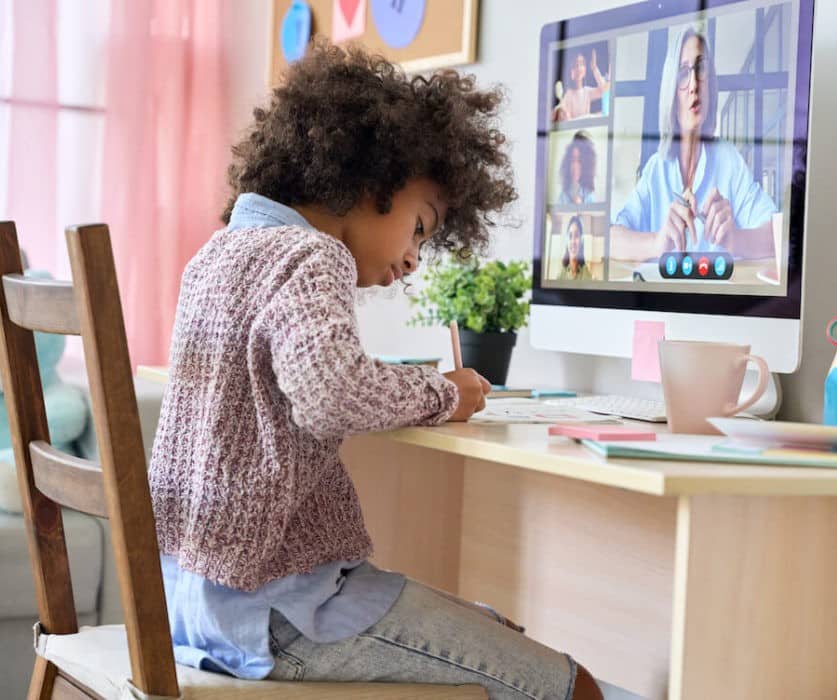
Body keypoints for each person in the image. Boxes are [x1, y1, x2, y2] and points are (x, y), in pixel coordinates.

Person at [149, 41, 605, 700]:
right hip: (278, 614)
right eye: (421, 228)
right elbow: (331, 392)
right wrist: (443, 393)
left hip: (188, 608)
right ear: (371, 180)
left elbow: (302, 379)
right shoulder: (311, 256)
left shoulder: (218, 254)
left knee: (488, 626)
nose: (416, 260)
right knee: (567, 684)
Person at [611, 26, 778, 261]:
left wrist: (734, 239)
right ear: (671, 90)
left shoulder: (729, 160)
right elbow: (610, 241)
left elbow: (780, 235)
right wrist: (656, 243)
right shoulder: (656, 168)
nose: (694, 85)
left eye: (701, 69)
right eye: (682, 73)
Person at [554, 47, 610, 122]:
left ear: (585, 69)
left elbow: (604, 90)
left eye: (581, 64)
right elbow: (562, 113)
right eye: (576, 65)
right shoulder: (569, 94)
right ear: (571, 71)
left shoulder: (587, 91)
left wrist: (594, 69)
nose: (579, 68)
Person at [557, 130, 598, 205]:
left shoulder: (589, 196)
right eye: (572, 160)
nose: (574, 166)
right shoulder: (563, 195)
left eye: (579, 160)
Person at [558, 216, 593, 281]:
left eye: (576, 235)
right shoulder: (560, 276)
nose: (573, 241)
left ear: (581, 241)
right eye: (570, 236)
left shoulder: (588, 277)